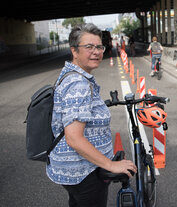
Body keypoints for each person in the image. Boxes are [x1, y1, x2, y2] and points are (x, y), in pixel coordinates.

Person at [47, 23, 137, 207]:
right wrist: (111, 165)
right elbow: (74, 138)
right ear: (74, 50)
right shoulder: (78, 84)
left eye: (99, 47)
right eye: (89, 47)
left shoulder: (72, 75)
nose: (96, 52)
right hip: (84, 171)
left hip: (77, 170)